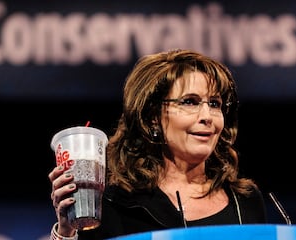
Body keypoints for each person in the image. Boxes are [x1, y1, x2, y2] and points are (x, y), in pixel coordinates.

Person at [48, 49, 267, 240]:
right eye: (189, 102)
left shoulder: (245, 201)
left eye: (214, 103)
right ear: (153, 116)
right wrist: (67, 232)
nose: (207, 116)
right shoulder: (114, 203)